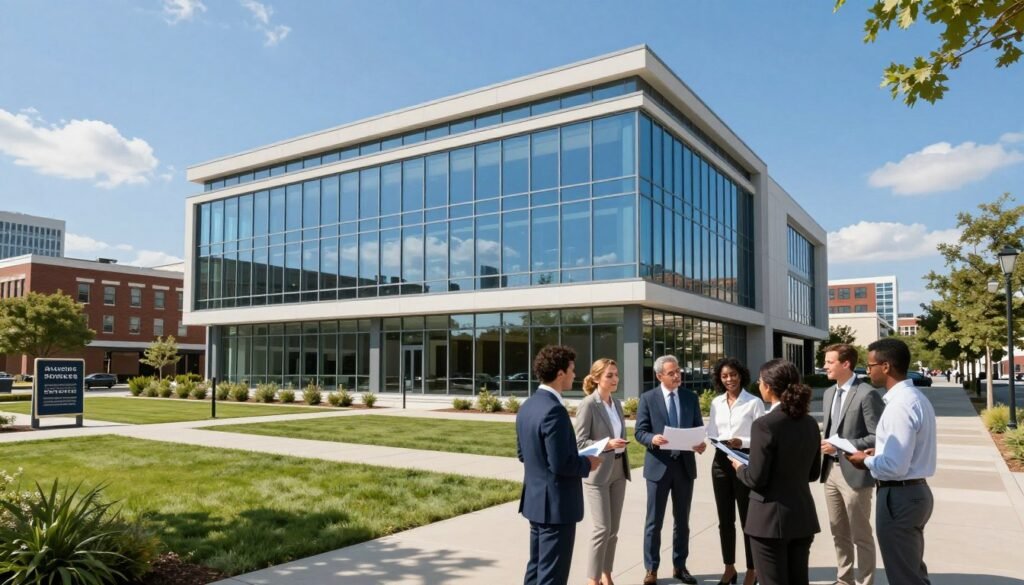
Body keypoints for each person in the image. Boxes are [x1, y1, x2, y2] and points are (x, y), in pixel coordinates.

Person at [847, 338, 936, 585]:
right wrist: (880, 452)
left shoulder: (900, 406)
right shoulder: (914, 398)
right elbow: (907, 451)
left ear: (885, 366)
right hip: (913, 492)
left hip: (899, 496)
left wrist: (864, 461)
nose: (868, 370)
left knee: (904, 576)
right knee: (912, 571)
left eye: (870, 365)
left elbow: (895, 466)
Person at [517, 345, 601, 585]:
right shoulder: (554, 410)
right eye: (573, 370)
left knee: (536, 569)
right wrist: (588, 462)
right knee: (552, 575)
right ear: (561, 373)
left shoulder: (528, 406)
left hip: (535, 502)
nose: (576, 375)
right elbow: (561, 464)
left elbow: (523, 454)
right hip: (556, 506)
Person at [732, 359, 821, 585]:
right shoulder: (810, 423)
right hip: (801, 516)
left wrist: (740, 467)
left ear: (769, 387)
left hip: (768, 520)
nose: (759, 386)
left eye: (760, 382)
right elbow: (813, 473)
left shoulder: (764, 424)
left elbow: (756, 478)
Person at [635, 355, 706, 585]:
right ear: (659, 376)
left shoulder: (690, 397)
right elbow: (639, 431)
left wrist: (700, 443)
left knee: (682, 521)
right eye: (672, 373)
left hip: (684, 468)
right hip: (658, 468)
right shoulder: (648, 398)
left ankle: (680, 566)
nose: (678, 375)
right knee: (653, 522)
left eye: (678, 371)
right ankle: (651, 569)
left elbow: (697, 428)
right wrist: (652, 438)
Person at [820, 344, 885, 585]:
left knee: (861, 535)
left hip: (856, 472)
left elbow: (878, 435)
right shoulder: (828, 394)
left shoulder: (866, 393)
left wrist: (841, 445)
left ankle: (865, 582)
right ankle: (844, 579)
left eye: (829, 362)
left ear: (845, 364)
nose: (825, 366)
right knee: (838, 532)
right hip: (829, 471)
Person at [706, 357, 765, 585]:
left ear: (741, 375)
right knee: (724, 520)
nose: (729, 379)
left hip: (743, 460)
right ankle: (729, 567)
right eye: (724, 376)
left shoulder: (753, 402)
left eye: (732, 375)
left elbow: (761, 437)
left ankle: (752, 569)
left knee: (747, 519)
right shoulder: (716, 403)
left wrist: (741, 441)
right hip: (720, 461)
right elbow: (712, 431)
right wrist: (711, 439)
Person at [574, 358, 631, 585]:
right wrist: (608, 444)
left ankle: (607, 573)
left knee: (613, 530)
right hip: (597, 473)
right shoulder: (588, 404)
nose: (615, 379)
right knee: (602, 529)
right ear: (597, 378)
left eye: (616, 374)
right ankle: (592, 579)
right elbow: (579, 444)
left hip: (618, 470)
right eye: (609, 375)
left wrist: (619, 445)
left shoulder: (616, 404)